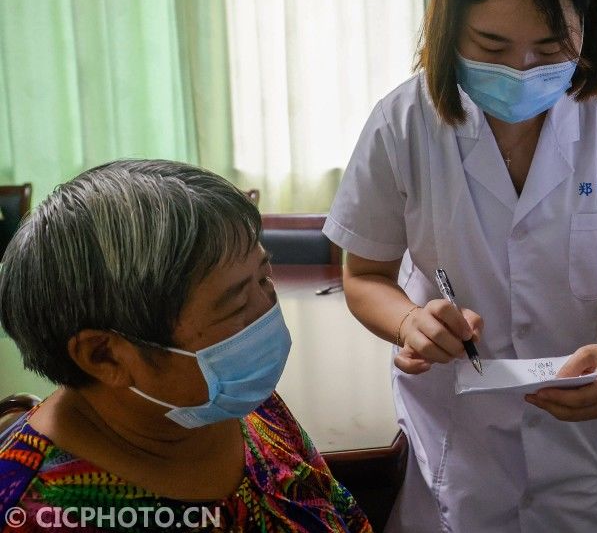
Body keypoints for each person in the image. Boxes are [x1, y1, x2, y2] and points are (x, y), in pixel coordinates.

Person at [324, 0, 597, 532]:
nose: (521, 70)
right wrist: (409, 322)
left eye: (551, 48)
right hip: (453, 449)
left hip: (573, 458)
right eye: (491, 46)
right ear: (447, 21)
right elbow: (364, 275)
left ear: (589, 24)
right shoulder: (402, 123)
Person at [0, 160, 371, 533]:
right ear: (105, 355)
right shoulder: (34, 514)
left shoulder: (237, 404)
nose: (267, 309)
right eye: (237, 304)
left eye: (264, 276)